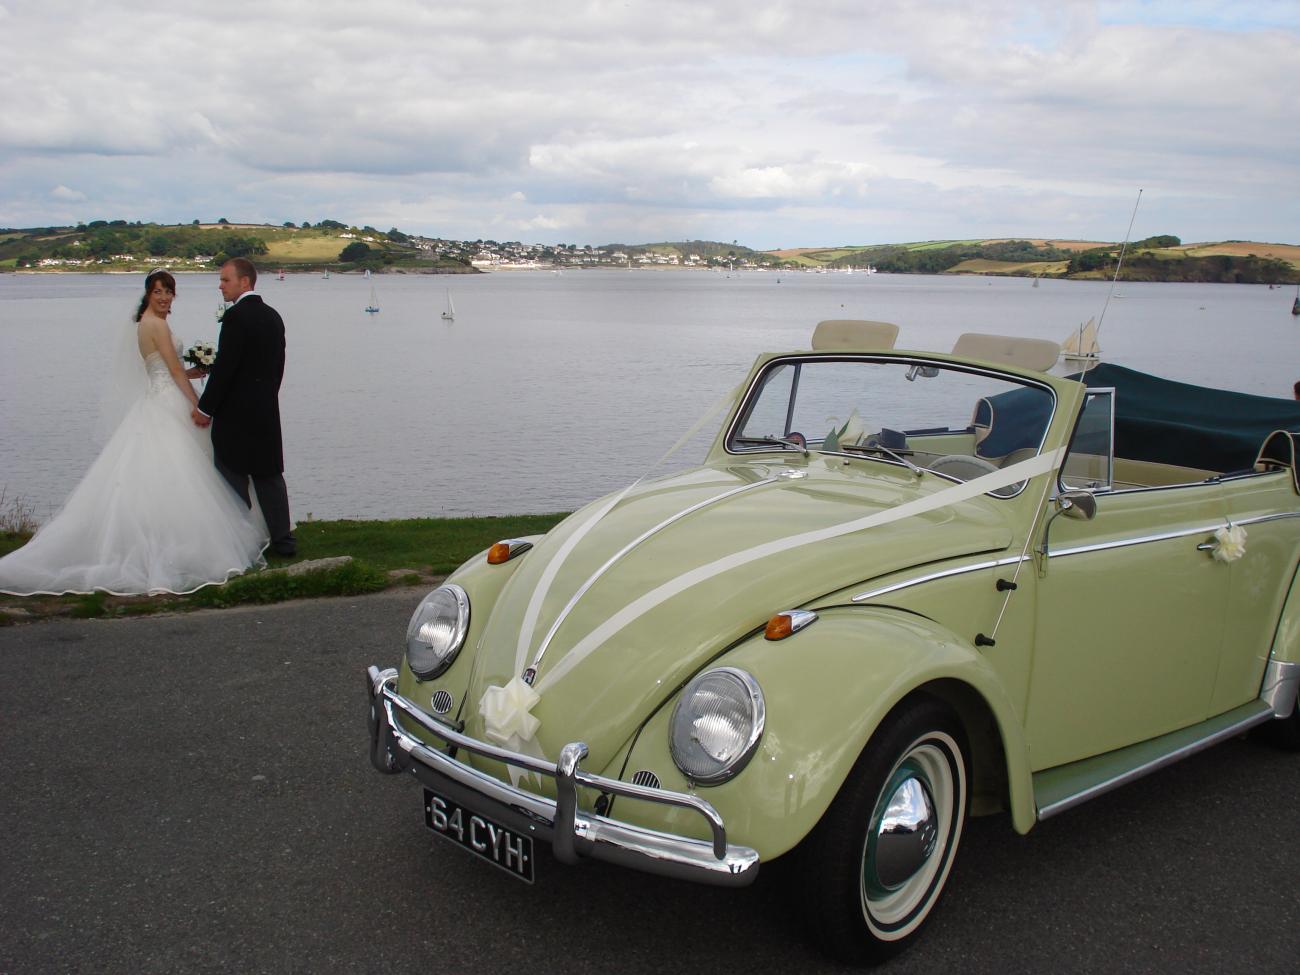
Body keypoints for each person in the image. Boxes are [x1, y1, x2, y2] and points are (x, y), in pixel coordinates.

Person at [0, 270, 268, 596]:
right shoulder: (155, 324)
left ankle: (170, 537)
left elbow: (168, 369)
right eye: (158, 292)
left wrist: (194, 371)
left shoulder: (146, 322)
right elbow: (171, 373)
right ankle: (178, 544)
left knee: (165, 476)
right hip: (168, 402)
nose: (164, 298)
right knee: (180, 474)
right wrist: (199, 405)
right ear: (148, 294)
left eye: (169, 291)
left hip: (157, 397)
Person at [194, 258, 296, 555]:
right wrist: (267, 396)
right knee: (269, 474)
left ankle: (242, 538)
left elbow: (226, 369)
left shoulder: (236, 317)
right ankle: (283, 540)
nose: (220, 285)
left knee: (230, 470)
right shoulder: (273, 316)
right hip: (265, 409)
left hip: (235, 413)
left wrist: (205, 408)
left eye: (226, 280)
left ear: (245, 282)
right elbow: (279, 366)